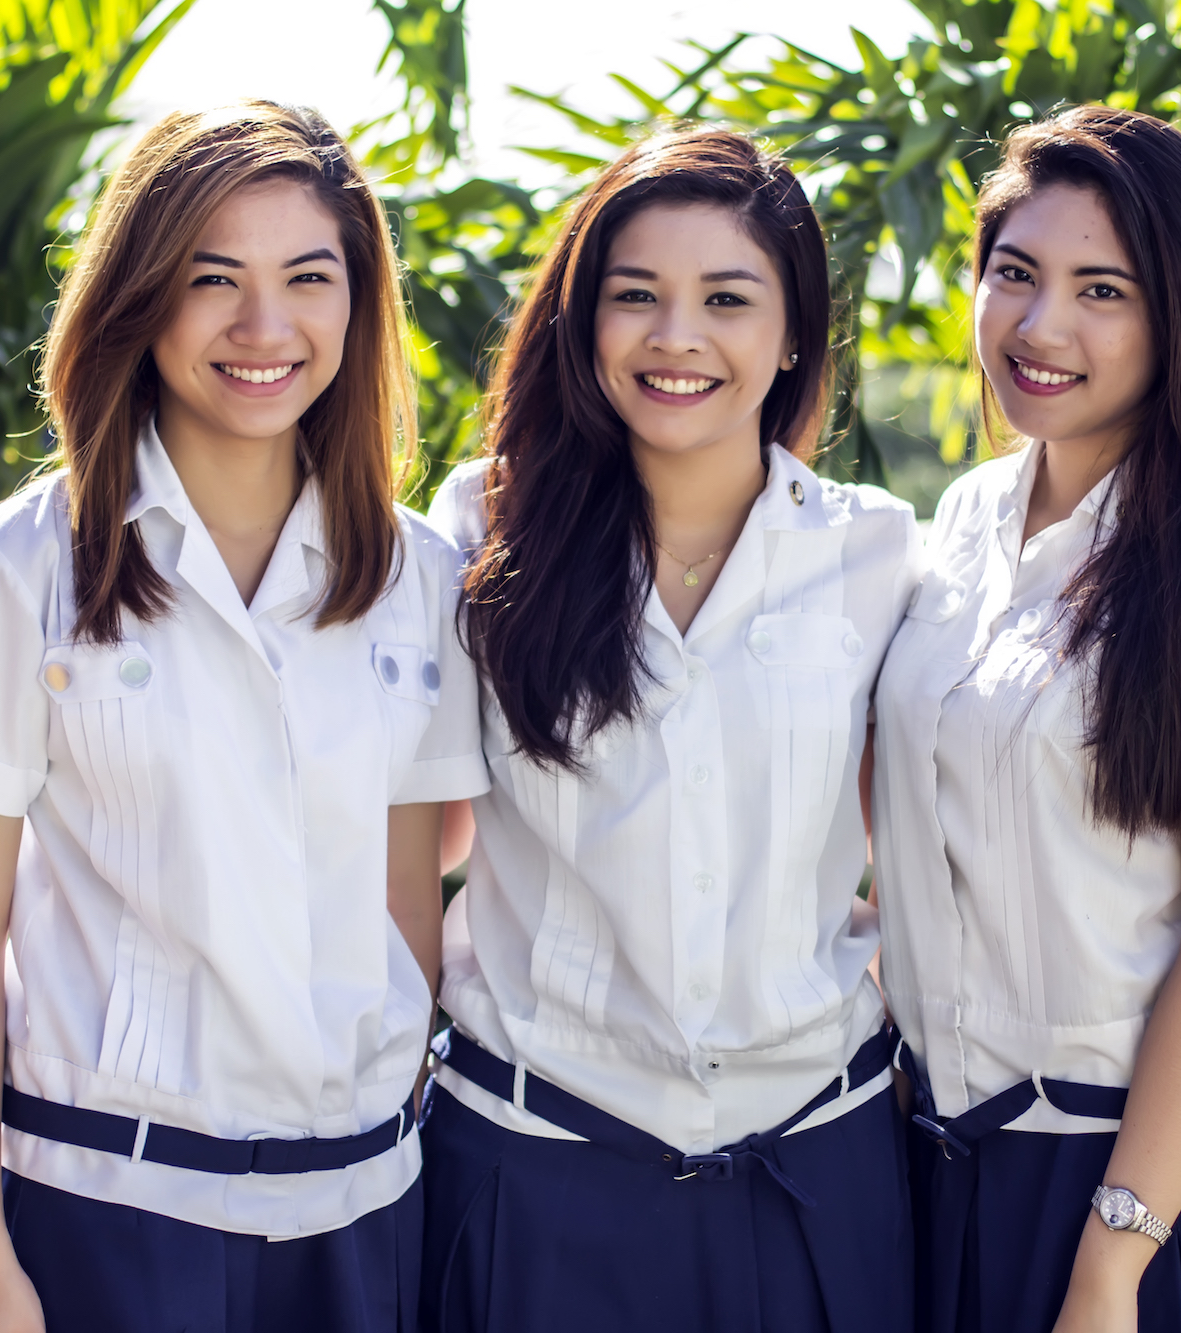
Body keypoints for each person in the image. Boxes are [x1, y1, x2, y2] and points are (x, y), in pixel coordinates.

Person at [0, 103, 485, 1333]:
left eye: (307, 278)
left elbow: (412, 885)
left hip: (365, 1198)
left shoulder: (417, 577)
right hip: (111, 1204)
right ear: (140, 295)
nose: (264, 328)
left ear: (356, 306)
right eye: (215, 279)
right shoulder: (18, 569)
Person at [420, 126, 920, 1333]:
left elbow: (917, 842)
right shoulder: (476, 529)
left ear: (793, 330)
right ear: (580, 320)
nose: (675, 336)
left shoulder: (876, 552)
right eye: (633, 296)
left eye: (726, 299)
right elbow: (420, 841)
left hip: (817, 1169)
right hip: (535, 1164)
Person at [873, 104, 1181, 1333]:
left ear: (1174, 312)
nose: (1041, 326)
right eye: (1014, 274)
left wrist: (1110, 1264)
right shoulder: (963, 521)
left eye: (1102, 290)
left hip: (1154, 1194)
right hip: (949, 1159)